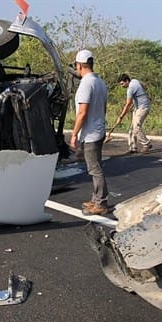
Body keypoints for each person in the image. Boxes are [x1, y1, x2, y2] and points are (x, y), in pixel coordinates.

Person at [70, 49, 110, 215]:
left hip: (91, 133)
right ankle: (95, 199)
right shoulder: (100, 82)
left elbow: (82, 112)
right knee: (96, 166)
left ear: (79, 65)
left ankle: (101, 202)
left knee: (94, 169)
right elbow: (104, 108)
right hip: (98, 130)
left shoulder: (86, 83)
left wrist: (73, 135)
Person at [116, 73, 152, 153]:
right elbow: (144, 86)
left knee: (136, 127)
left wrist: (121, 117)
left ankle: (146, 144)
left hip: (142, 108)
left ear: (127, 81)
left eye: (122, 84)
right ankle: (133, 147)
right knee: (132, 129)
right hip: (138, 107)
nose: (121, 86)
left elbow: (128, 104)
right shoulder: (135, 81)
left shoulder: (130, 88)